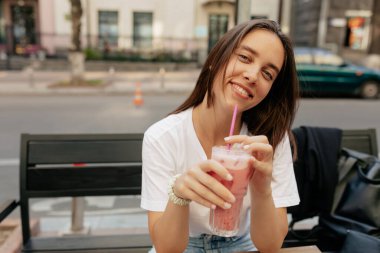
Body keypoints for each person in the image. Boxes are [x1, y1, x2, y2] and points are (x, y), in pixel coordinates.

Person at [141, 19, 300, 253]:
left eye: (267, 73)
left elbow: (270, 246)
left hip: (242, 243)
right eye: (245, 57)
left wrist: (261, 186)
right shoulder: (162, 137)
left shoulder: (270, 141)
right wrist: (178, 193)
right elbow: (166, 248)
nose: (253, 75)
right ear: (216, 60)